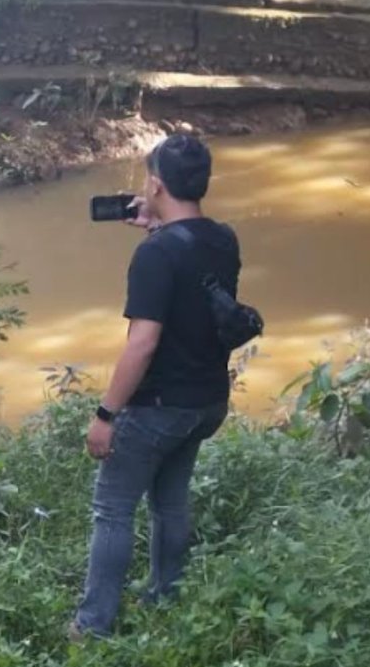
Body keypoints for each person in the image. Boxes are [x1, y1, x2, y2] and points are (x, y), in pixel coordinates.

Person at [69, 134, 242, 639]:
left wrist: (105, 416)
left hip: (160, 406)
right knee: (170, 501)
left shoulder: (157, 256)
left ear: (156, 184)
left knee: (112, 509)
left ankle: (93, 624)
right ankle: (165, 597)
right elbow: (192, 291)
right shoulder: (224, 239)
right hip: (206, 401)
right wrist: (156, 230)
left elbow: (143, 343)